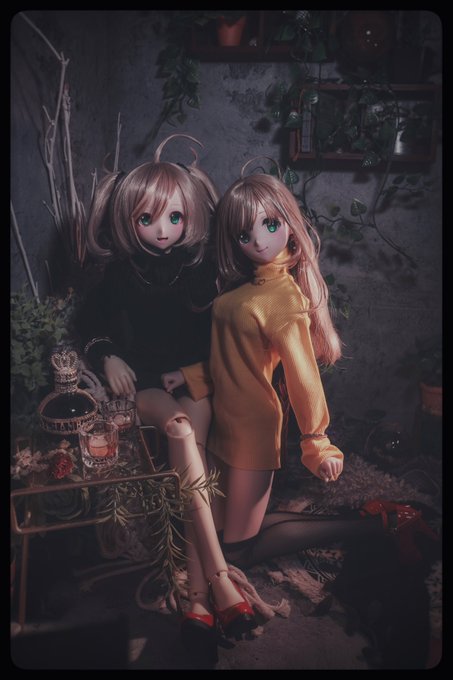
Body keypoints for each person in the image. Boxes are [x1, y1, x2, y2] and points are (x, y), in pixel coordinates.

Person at [162, 167, 438, 573]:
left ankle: (384, 523)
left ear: (289, 225)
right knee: (221, 537)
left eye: (270, 225)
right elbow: (234, 358)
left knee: (236, 552)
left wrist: (317, 440)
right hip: (224, 421)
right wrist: (191, 377)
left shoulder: (284, 298)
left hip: (254, 427)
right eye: (244, 235)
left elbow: (302, 375)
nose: (259, 240)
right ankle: (376, 517)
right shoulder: (243, 289)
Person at [77, 135, 256, 663]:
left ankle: (198, 602)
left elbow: (217, 340)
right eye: (147, 219)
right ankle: (219, 580)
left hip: (190, 380)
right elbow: (89, 325)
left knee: (190, 441)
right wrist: (107, 356)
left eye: (174, 218)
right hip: (146, 386)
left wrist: (195, 372)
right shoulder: (119, 273)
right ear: (129, 220)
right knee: (180, 430)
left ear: (189, 217)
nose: (162, 230)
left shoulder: (201, 269)